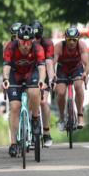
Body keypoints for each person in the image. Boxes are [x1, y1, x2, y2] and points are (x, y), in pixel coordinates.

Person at [1, 24, 47, 157]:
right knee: (15, 107)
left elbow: (42, 67)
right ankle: (14, 143)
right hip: (14, 76)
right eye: (22, 41)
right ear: (18, 40)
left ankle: (35, 117)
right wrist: (5, 79)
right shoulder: (11, 47)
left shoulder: (38, 48)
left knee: (34, 92)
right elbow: (6, 66)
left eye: (28, 41)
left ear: (33, 40)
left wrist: (42, 80)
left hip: (31, 75)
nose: (26, 45)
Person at [53, 25, 89, 130]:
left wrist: (85, 73)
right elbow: (52, 63)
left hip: (76, 68)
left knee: (78, 86)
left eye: (74, 40)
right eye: (69, 40)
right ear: (65, 38)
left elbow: (87, 64)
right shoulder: (59, 46)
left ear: (77, 39)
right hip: (62, 70)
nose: (72, 43)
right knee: (60, 93)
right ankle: (61, 118)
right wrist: (52, 75)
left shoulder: (81, 46)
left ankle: (80, 115)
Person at [33, 20, 55, 148]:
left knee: (42, 101)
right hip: (30, 72)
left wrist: (51, 79)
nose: (34, 40)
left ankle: (46, 132)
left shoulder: (47, 44)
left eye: (37, 37)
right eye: (33, 37)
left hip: (44, 73)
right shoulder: (26, 43)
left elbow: (49, 64)